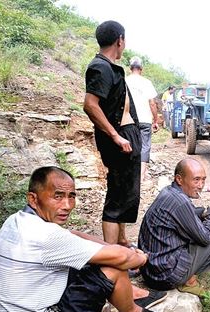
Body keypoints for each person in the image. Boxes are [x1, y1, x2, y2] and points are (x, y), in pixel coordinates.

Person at [0, 166, 166, 312]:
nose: (68, 205)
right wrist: (139, 257)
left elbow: (74, 236)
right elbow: (122, 259)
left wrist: (118, 250)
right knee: (111, 267)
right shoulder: (46, 237)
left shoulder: (18, 221)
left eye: (72, 196)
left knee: (92, 258)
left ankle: (131, 294)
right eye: (58, 196)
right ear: (33, 199)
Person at [83, 20, 141, 246]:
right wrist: (116, 136)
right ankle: (112, 257)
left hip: (126, 135)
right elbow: (90, 104)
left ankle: (123, 242)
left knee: (125, 193)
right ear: (120, 40)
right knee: (116, 199)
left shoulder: (109, 66)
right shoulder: (101, 67)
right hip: (119, 140)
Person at [138, 158, 210, 295]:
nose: (201, 185)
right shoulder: (181, 202)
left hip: (150, 272)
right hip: (165, 277)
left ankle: (187, 274)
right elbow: (205, 238)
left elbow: (185, 217)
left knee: (204, 226)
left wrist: (202, 214)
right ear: (179, 179)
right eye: (196, 180)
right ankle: (189, 280)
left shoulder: (168, 192)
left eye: (203, 180)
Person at [126, 56, 159, 182]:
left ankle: (130, 174)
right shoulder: (146, 82)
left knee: (130, 144)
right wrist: (155, 120)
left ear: (130, 68)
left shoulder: (125, 81)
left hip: (129, 120)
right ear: (141, 69)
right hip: (145, 120)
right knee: (144, 146)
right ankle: (141, 175)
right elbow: (152, 103)